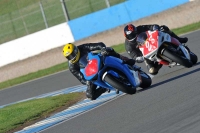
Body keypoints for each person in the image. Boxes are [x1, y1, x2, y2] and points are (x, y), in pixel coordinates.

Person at [62, 42, 135, 100]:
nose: (71, 57)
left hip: (98, 61)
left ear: (75, 50)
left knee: (109, 50)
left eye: (72, 55)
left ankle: (125, 60)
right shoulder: (72, 67)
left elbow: (99, 45)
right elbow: (81, 78)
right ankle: (104, 87)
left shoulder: (83, 47)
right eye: (69, 57)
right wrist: (87, 82)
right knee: (90, 95)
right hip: (91, 73)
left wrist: (103, 49)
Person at [123, 24, 188, 75]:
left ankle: (179, 39)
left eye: (134, 33)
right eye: (131, 35)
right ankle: (160, 62)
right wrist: (139, 58)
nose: (134, 36)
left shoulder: (140, 28)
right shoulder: (128, 46)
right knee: (152, 71)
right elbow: (134, 56)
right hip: (147, 54)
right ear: (126, 36)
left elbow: (151, 26)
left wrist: (155, 27)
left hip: (153, 42)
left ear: (136, 30)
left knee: (163, 28)